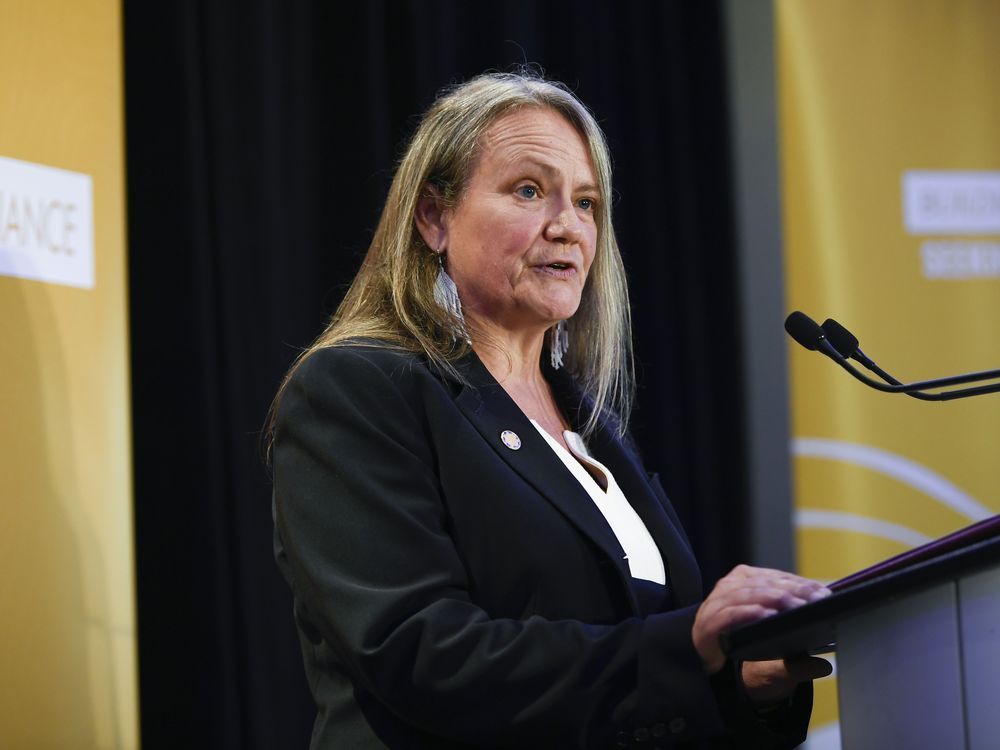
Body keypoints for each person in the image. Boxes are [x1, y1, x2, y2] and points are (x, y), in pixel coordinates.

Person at [269, 71, 831, 749]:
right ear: (434, 218)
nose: (567, 227)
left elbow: (637, 669)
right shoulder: (358, 389)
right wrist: (685, 646)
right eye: (529, 191)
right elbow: (419, 651)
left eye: (586, 202)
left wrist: (738, 681)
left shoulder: (591, 425)